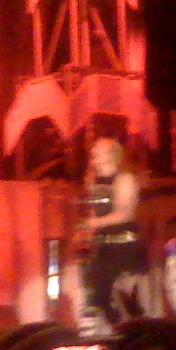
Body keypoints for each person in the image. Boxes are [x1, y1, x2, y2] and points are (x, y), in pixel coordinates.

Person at [76, 136, 148, 327]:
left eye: (99, 148)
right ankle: (117, 327)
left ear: (111, 154)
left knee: (126, 296)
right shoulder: (92, 180)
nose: (93, 151)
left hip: (124, 244)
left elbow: (126, 213)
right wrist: (87, 231)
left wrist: (94, 223)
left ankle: (134, 328)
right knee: (98, 294)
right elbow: (94, 209)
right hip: (103, 245)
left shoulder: (125, 178)